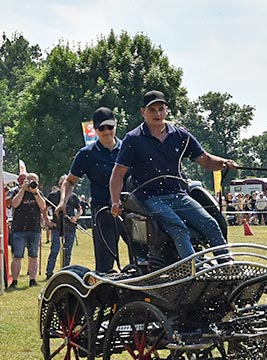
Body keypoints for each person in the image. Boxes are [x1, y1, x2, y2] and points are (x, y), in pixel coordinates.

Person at [109, 90, 236, 261]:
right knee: (178, 227)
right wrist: (115, 201)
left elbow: (205, 160)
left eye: (161, 109)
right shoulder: (133, 139)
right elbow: (117, 174)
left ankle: (227, 266)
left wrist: (224, 162)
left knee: (211, 224)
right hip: (150, 198)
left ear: (166, 110)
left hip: (178, 195)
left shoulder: (180, 135)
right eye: (152, 110)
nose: (158, 113)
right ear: (143, 112)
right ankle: (194, 269)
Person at [59, 107, 123, 273]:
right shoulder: (86, 154)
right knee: (104, 264)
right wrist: (62, 202)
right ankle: (106, 296)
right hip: (102, 211)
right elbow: (70, 181)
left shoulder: (128, 148)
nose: (107, 131)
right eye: (102, 128)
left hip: (129, 209)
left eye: (110, 126)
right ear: (95, 130)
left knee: (142, 256)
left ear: (115, 125)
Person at [7, 172, 47, 289]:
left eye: (34, 181)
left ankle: (32, 280)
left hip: (34, 229)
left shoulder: (38, 193)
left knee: (33, 256)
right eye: (29, 181)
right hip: (19, 229)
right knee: (17, 256)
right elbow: (14, 204)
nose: (31, 184)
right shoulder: (17, 192)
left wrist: (35, 192)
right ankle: (14, 281)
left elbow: (43, 206)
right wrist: (23, 189)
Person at [46, 175, 83, 278]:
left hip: (70, 227)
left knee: (68, 251)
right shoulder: (53, 195)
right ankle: (49, 273)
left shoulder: (73, 196)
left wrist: (75, 218)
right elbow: (44, 209)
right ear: (59, 184)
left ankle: (65, 271)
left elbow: (80, 210)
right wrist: (47, 221)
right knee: (55, 249)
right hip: (57, 227)